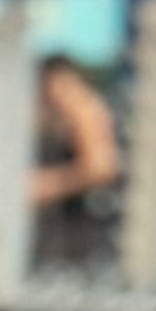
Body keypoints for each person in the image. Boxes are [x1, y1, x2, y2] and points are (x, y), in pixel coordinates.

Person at [33, 51, 125, 269]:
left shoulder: (85, 108)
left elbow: (103, 166)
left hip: (83, 232)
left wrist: (50, 184)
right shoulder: (51, 112)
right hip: (54, 233)